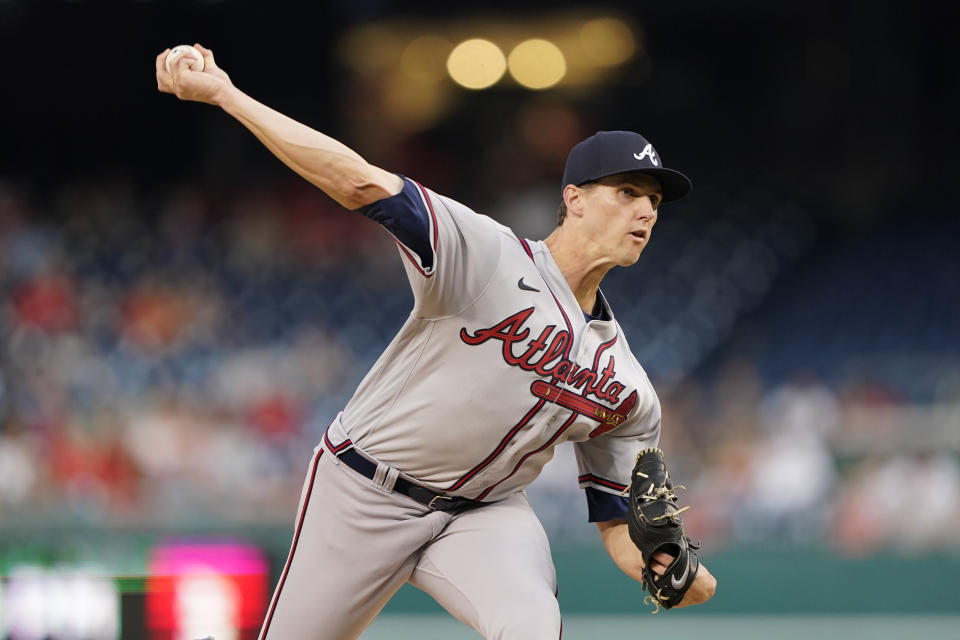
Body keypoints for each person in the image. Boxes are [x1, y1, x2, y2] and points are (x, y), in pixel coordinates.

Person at [156, 43, 717, 640]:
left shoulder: (628, 389)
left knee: (532, 625)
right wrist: (225, 94)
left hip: (484, 515)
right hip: (363, 491)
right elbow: (357, 182)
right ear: (573, 198)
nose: (646, 212)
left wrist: (676, 569)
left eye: (653, 201)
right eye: (627, 192)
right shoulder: (485, 255)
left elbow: (619, 529)